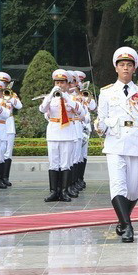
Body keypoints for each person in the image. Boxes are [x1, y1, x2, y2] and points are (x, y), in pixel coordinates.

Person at [95, 47, 138, 243]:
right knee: (118, 185)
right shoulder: (106, 93)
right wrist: (99, 125)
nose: (126, 68)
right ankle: (128, 226)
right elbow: (101, 118)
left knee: (134, 189)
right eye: (122, 65)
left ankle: (122, 221)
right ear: (116, 68)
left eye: (129, 65)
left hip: (136, 141)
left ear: (134, 68)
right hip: (115, 142)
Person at [39, 69, 82, 202]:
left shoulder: (72, 98)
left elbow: (80, 111)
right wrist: (52, 94)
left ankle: (64, 191)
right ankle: (54, 191)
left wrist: (66, 97)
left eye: (62, 82)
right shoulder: (50, 98)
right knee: (53, 163)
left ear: (67, 83)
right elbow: (42, 109)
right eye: (57, 82)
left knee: (65, 163)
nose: (60, 85)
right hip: (53, 132)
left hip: (67, 132)